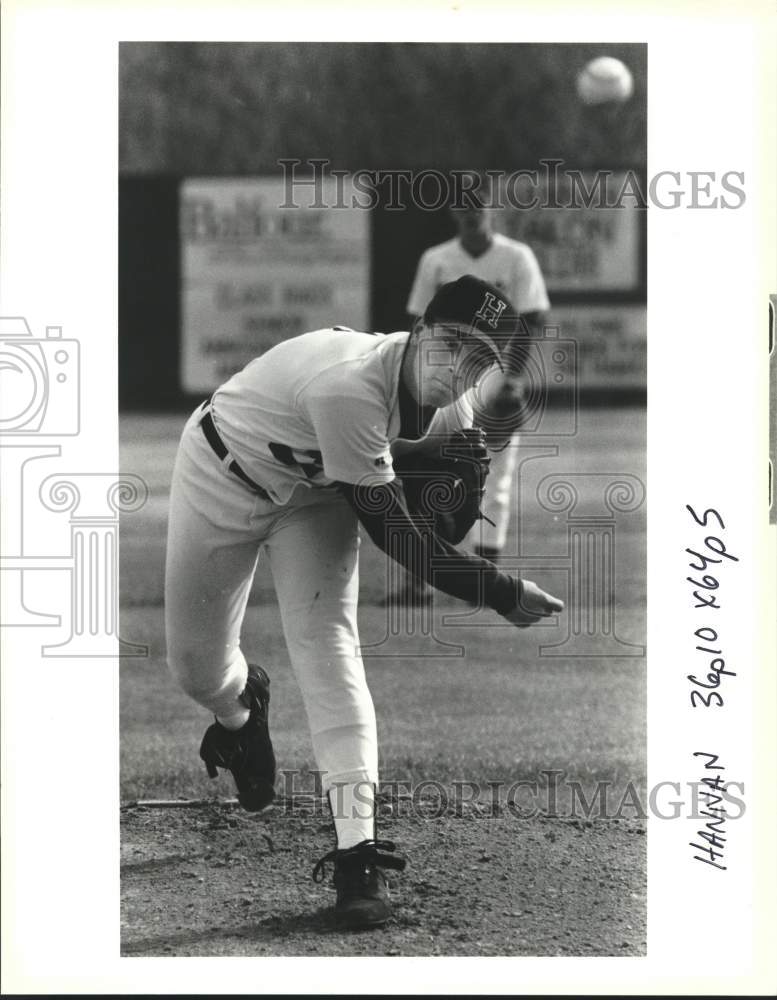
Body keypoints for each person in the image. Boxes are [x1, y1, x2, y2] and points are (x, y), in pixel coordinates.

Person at [164, 275, 563, 930]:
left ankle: (358, 855)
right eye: (452, 344)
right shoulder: (348, 384)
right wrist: (501, 591)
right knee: (196, 668)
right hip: (223, 470)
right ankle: (240, 717)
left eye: (479, 360)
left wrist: (458, 487)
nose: (459, 369)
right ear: (421, 330)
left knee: (329, 649)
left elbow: (440, 532)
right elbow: (399, 539)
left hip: (317, 497)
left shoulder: (455, 413)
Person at [390, 184, 550, 604]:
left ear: (491, 208)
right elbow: (417, 323)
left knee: (494, 477)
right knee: (423, 471)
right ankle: (417, 582)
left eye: (478, 204)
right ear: (453, 211)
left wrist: (512, 380)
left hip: (495, 374)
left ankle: (487, 574)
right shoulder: (437, 259)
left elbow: (531, 320)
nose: (471, 211)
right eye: (463, 204)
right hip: (443, 376)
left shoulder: (516, 257)